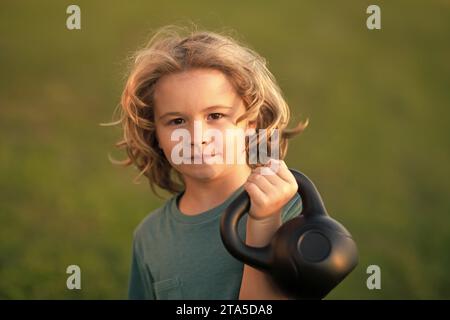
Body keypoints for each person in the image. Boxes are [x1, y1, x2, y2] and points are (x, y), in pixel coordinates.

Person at [108, 25, 308, 299]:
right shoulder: (150, 237)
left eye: (215, 116)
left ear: (252, 122)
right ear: (155, 134)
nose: (197, 138)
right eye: (177, 121)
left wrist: (264, 220)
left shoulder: (293, 208)